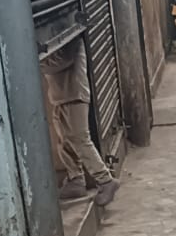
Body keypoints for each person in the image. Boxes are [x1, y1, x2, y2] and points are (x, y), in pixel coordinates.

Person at [41, 37, 119, 207]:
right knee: (65, 140)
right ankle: (75, 179)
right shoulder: (60, 33)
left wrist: (38, 61)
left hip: (74, 94)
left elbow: (62, 60)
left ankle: (105, 180)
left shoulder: (71, 36)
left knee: (79, 138)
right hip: (60, 95)